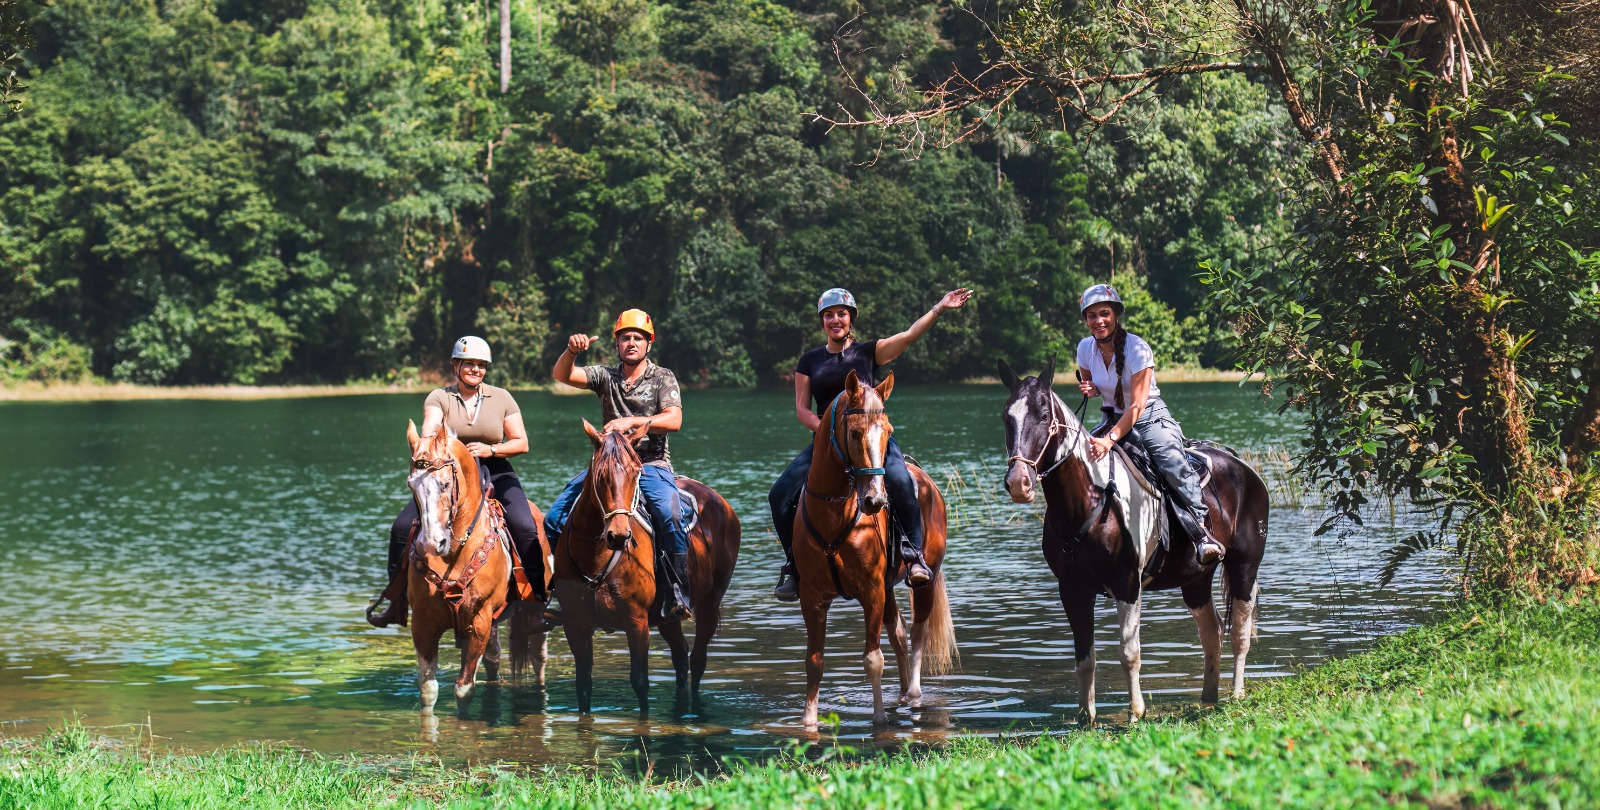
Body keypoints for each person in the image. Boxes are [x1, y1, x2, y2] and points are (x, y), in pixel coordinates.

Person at [769, 286, 974, 601]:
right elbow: (802, 409)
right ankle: (794, 566)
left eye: (841, 313)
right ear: (821, 321)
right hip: (828, 446)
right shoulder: (809, 361)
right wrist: (827, 432)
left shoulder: (867, 352)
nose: (835, 320)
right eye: (828, 315)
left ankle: (913, 554)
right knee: (779, 495)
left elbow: (907, 336)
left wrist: (940, 308)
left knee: (902, 482)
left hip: (872, 440)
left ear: (851, 318)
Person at [367, 336, 546, 628]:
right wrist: (431, 442)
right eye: (469, 364)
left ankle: (536, 601)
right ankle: (396, 604)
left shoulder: (502, 397)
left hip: (494, 467)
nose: (475, 369)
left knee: (526, 526)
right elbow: (430, 428)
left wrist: (492, 450)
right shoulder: (439, 397)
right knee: (401, 529)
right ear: (456, 365)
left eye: (481, 365)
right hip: (447, 473)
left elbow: (521, 442)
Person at [545, 309, 692, 622]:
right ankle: (560, 590)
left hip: (649, 463)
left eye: (638, 338)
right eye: (625, 337)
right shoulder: (605, 377)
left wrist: (633, 421)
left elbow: (674, 419)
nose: (631, 343)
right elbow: (562, 375)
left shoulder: (662, 377)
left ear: (648, 344)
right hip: (608, 466)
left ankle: (678, 591)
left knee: (668, 514)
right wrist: (571, 351)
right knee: (555, 518)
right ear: (617, 344)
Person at [1075, 283, 1226, 565]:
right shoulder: (1085, 348)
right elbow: (1094, 385)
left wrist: (1109, 441)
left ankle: (1203, 532)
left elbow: (1137, 405)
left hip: (1149, 418)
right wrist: (1092, 390)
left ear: (1116, 315)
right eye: (1091, 316)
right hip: (1110, 418)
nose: (1098, 321)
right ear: (1086, 320)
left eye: (1104, 313)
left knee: (1171, 462)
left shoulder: (1137, 348)